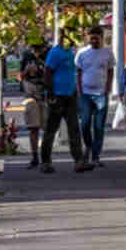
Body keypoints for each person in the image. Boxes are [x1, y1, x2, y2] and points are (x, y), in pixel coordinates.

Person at [40, 32, 92, 173]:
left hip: (70, 96)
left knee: (74, 129)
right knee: (51, 129)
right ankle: (45, 162)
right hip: (57, 96)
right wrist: (50, 93)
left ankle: (78, 161)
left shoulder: (70, 52)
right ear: (65, 37)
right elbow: (47, 72)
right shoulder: (55, 52)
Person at [75, 26, 115, 168]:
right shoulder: (82, 53)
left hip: (101, 95)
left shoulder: (108, 53)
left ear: (101, 37)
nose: (93, 40)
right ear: (87, 38)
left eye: (96, 37)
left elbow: (110, 71)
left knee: (99, 127)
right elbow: (78, 72)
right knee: (84, 124)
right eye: (91, 37)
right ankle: (89, 146)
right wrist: (79, 90)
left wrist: (108, 88)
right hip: (85, 94)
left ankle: (95, 156)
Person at [20, 41, 49, 168]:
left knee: (47, 128)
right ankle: (35, 156)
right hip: (30, 96)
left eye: (38, 48)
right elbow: (19, 76)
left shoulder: (48, 55)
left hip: (45, 96)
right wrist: (26, 72)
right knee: (33, 128)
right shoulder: (26, 56)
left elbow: (52, 74)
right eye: (34, 49)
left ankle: (46, 157)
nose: (36, 52)